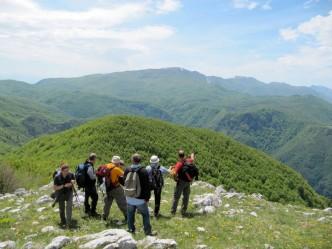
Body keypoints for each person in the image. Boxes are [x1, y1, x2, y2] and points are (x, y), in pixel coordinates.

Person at [124, 153, 156, 236]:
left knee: (130, 215)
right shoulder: (143, 171)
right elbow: (147, 186)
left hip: (129, 197)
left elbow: (124, 182)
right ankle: (148, 232)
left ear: (132, 160)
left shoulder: (127, 169)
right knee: (145, 215)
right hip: (140, 199)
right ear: (140, 160)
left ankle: (131, 229)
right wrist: (147, 198)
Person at [170, 150, 196, 216]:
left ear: (178, 156)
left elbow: (174, 173)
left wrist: (175, 178)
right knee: (186, 197)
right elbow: (192, 159)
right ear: (184, 155)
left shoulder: (179, 163)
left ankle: (173, 212)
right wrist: (192, 154)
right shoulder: (188, 161)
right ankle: (183, 211)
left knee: (176, 197)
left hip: (181, 182)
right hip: (188, 182)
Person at [102, 156, 127, 222]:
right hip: (116, 188)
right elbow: (124, 175)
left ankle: (104, 217)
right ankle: (127, 216)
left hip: (108, 188)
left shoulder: (106, 166)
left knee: (107, 203)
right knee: (122, 202)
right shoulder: (116, 169)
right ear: (118, 163)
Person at [84, 153, 99, 217]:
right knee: (95, 197)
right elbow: (92, 177)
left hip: (86, 184)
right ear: (94, 159)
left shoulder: (85, 164)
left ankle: (87, 210)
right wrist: (95, 174)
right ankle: (93, 211)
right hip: (90, 185)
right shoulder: (90, 166)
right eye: (95, 159)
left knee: (87, 197)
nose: (96, 160)